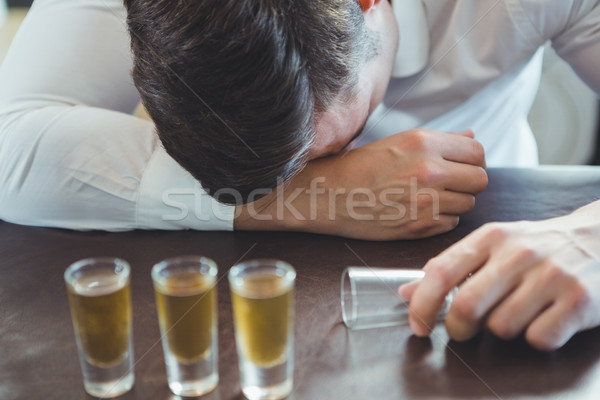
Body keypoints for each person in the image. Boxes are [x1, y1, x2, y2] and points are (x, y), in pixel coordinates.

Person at [0, 0, 598, 350]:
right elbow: (11, 142)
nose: (323, 166)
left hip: (489, 261)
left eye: (332, 142)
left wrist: (587, 242)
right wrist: (306, 198)